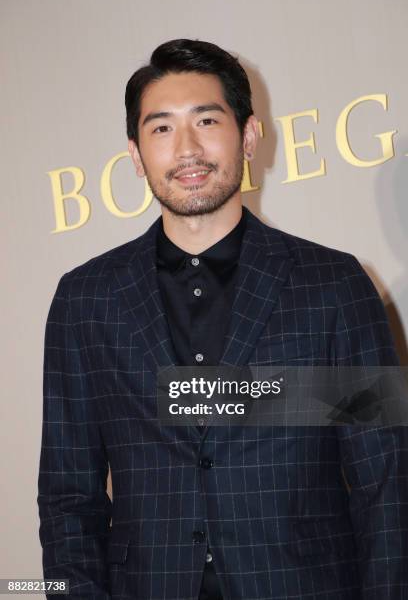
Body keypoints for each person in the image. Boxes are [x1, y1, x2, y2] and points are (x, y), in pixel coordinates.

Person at [37, 38, 407, 599]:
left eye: (206, 120)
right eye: (160, 128)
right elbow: (68, 496)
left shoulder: (334, 284)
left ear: (249, 136)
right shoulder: (86, 299)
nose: (186, 148)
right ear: (135, 154)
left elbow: (386, 481)